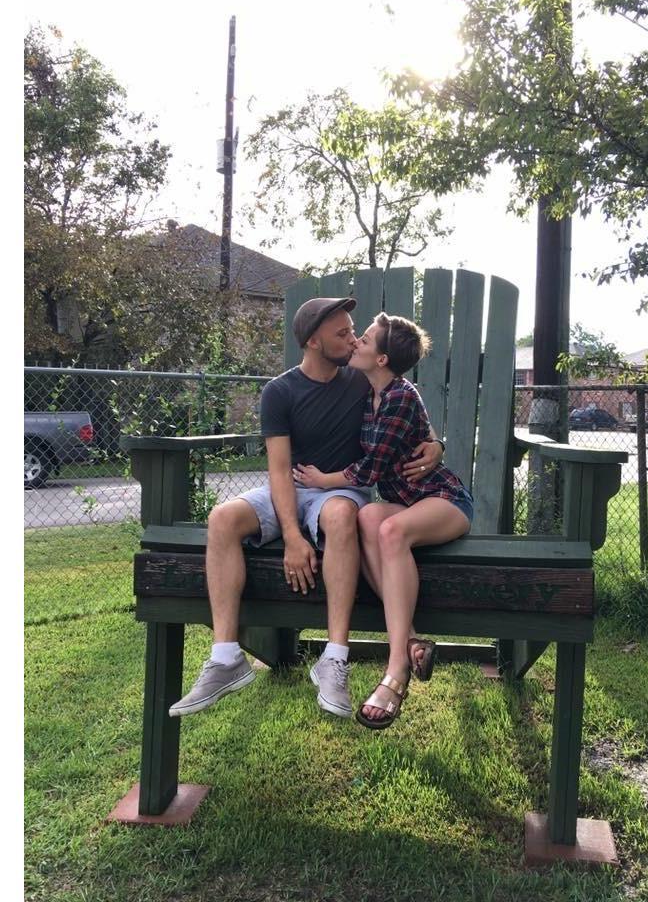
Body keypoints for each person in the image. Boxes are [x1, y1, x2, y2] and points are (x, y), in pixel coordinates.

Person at [169, 297, 446, 720]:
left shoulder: (360, 379)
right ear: (313, 341)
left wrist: (437, 444)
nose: (353, 341)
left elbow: (409, 412)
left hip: (339, 494)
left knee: (339, 515)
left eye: (356, 332)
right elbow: (279, 470)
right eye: (343, 334)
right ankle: (226, 658)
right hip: (291, 489)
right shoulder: (280, 392)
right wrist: (293, 537)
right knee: (222, 518)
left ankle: (334, 658)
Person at [292, 312, 473, 729]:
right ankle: (411, 641)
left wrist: (322, 479)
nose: (356, 342)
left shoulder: (399, 397)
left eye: (366, 340)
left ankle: (397, 672)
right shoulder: (366, 389)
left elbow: (371, 470)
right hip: (404, 503)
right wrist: (435, 441)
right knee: (369, 516)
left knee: (389, 529)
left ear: (382, 359)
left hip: (443, 500)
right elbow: (421, 434)